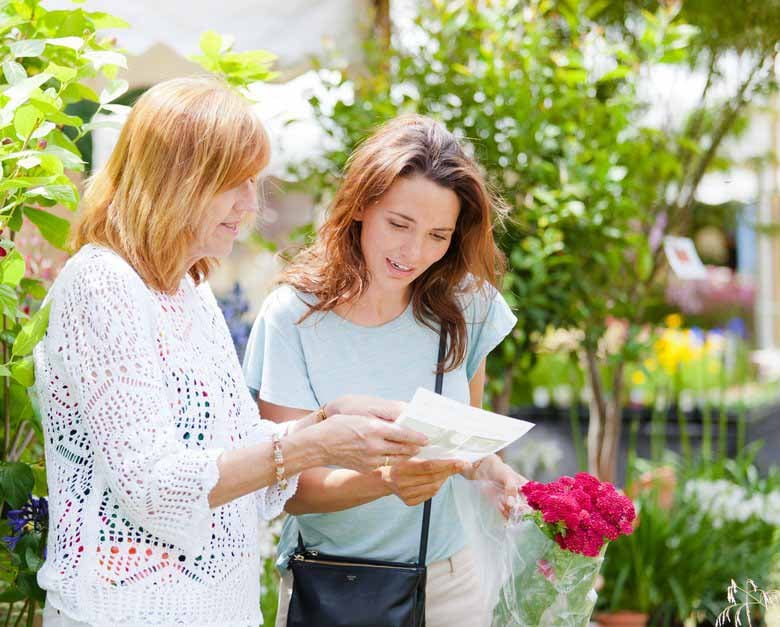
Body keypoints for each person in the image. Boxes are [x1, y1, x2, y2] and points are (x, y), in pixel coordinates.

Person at [31, 77, 429, 626]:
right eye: (234, 184)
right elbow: (153, 486)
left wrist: (325, 420)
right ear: (175, 181)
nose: (251, 205)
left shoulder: (187, 291)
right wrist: (313, 447)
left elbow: (234, 450)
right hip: (124, 612)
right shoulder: (102, 284)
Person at [243, 114, 525, 626]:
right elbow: (289, 486)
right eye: (399, 224)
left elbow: (467, 440)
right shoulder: (294, 314)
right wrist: (388, 480)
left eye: (438, 235)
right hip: (332, 585)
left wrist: (495, 473)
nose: (413, 253)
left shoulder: (467, 304)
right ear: (360, 206)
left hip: (449, 584)